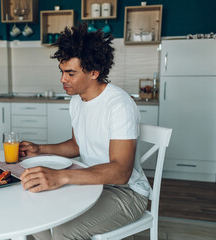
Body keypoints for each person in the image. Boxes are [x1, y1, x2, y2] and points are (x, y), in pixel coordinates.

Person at [19, 23, 150, 240]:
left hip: (126, 193)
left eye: (70, 73)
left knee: (64, 231)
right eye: (62, 72)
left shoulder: (119, 104)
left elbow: (121, 172)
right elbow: (77, 145)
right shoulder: (77, 101)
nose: (63, 79)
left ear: (94, 73)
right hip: (92, 183)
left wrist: (61, 177)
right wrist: (39, 149)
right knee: (35, 211)